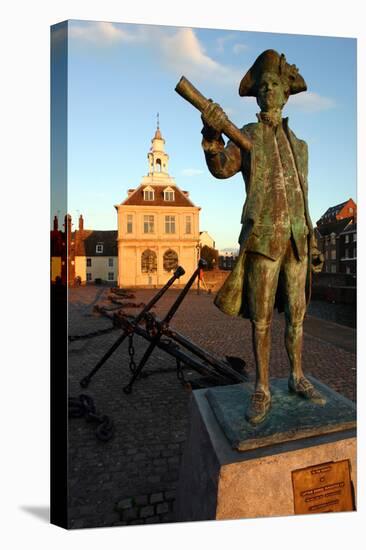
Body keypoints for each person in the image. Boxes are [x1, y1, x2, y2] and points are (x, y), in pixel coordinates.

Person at [201, 49, 325, 425]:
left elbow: (304, 197)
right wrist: (212, 134)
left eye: (276, 85)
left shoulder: (300, 147)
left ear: (286, 93)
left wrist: (314, 240)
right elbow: (221, 169)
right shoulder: (247, 136)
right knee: (262, 320)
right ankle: (262, 387)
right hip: (263, 242)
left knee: (298, 318)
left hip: (297, 240)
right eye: (264, 86)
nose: (270, 90)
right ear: (257, 95)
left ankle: (297, 376)